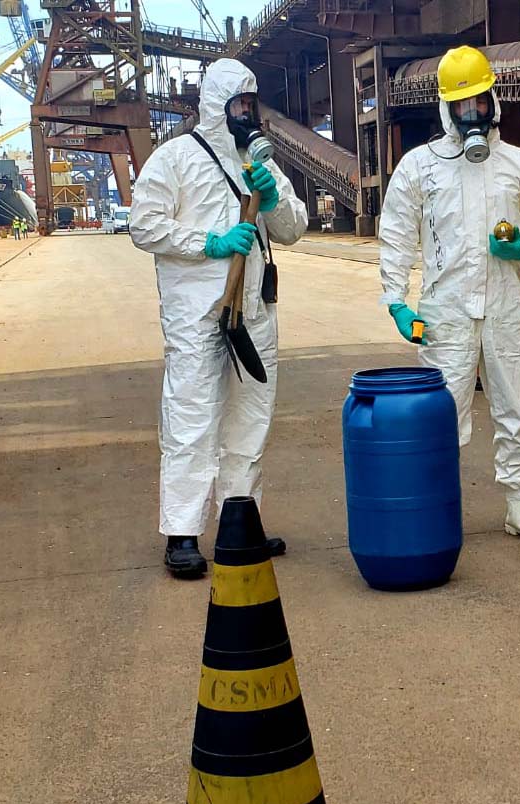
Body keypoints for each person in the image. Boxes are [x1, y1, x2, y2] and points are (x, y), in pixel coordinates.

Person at [377, 45, 520, 544]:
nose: (473, 113)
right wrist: (396, 300)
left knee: (516, 407)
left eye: (480, 101)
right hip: (447, 312)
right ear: (446, 107)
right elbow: (396, 235)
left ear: (492, 100)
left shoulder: (519, 165)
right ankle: (438, 509)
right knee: (442, 413)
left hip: (507, 307)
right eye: (462, 104)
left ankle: (518, 507)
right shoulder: (421, 167)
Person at [130, 59, 308, 577]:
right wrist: (208, 243)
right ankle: (182, 532)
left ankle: (240, 521)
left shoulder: (259, 161)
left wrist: (272, 199)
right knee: (192, 417)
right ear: (216, 105)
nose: (246, 113)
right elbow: (144, 225)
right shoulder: (176, 158)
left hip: (253, 310)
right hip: (198, 314)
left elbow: (293, 227)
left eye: (251, 104)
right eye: (238, 104)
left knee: (251, 418)